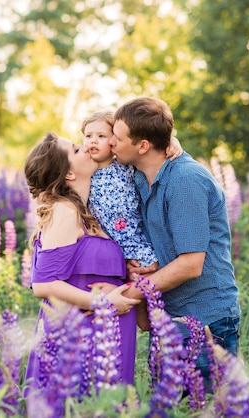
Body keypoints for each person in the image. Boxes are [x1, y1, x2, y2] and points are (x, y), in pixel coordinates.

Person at [109, 97, 241, 389]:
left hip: (206, 319)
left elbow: (190, 265)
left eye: (117, 139)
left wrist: (131, 294)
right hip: (167, 316)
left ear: (143, 146)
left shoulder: (185, 181)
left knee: (205, 409)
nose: (111, 144)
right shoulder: (141, 174)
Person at [22, 132, 140, 395]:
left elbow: (129, 145)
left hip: (105, 331)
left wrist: (169, 143)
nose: (86, 147)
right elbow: (43, 284)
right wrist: (104, 303)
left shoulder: (90, 211)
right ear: (69, 175)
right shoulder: (65, 210)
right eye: (76, 150)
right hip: (79, 334)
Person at [81, 110, 182, 329]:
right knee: (117, 308)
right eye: (88, 136)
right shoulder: (83, 168)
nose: (93, 141)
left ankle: (158, 333)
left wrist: (172, 141)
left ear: (114, 142)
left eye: (101, 136)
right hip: (107, 248)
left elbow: (148, 144)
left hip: (134, 243)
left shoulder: (127, 167)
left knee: (147, 315)